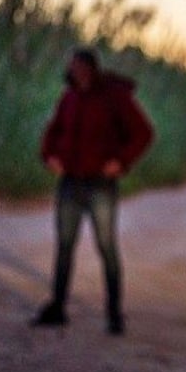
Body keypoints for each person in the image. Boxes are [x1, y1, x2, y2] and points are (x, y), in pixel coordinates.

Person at [33, 47, 154, 335]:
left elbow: (143, 132)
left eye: (79, 67)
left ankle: (114, 314)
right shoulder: (70, 98)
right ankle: (58, 306)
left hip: (100, 183)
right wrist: (49, 156)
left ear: (91, 68)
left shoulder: (114, 98)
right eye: (72, 67)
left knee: (106, 247)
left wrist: (121, 162)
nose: (75, 72)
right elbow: (54, 130)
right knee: (64, 246)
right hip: (71, 181)